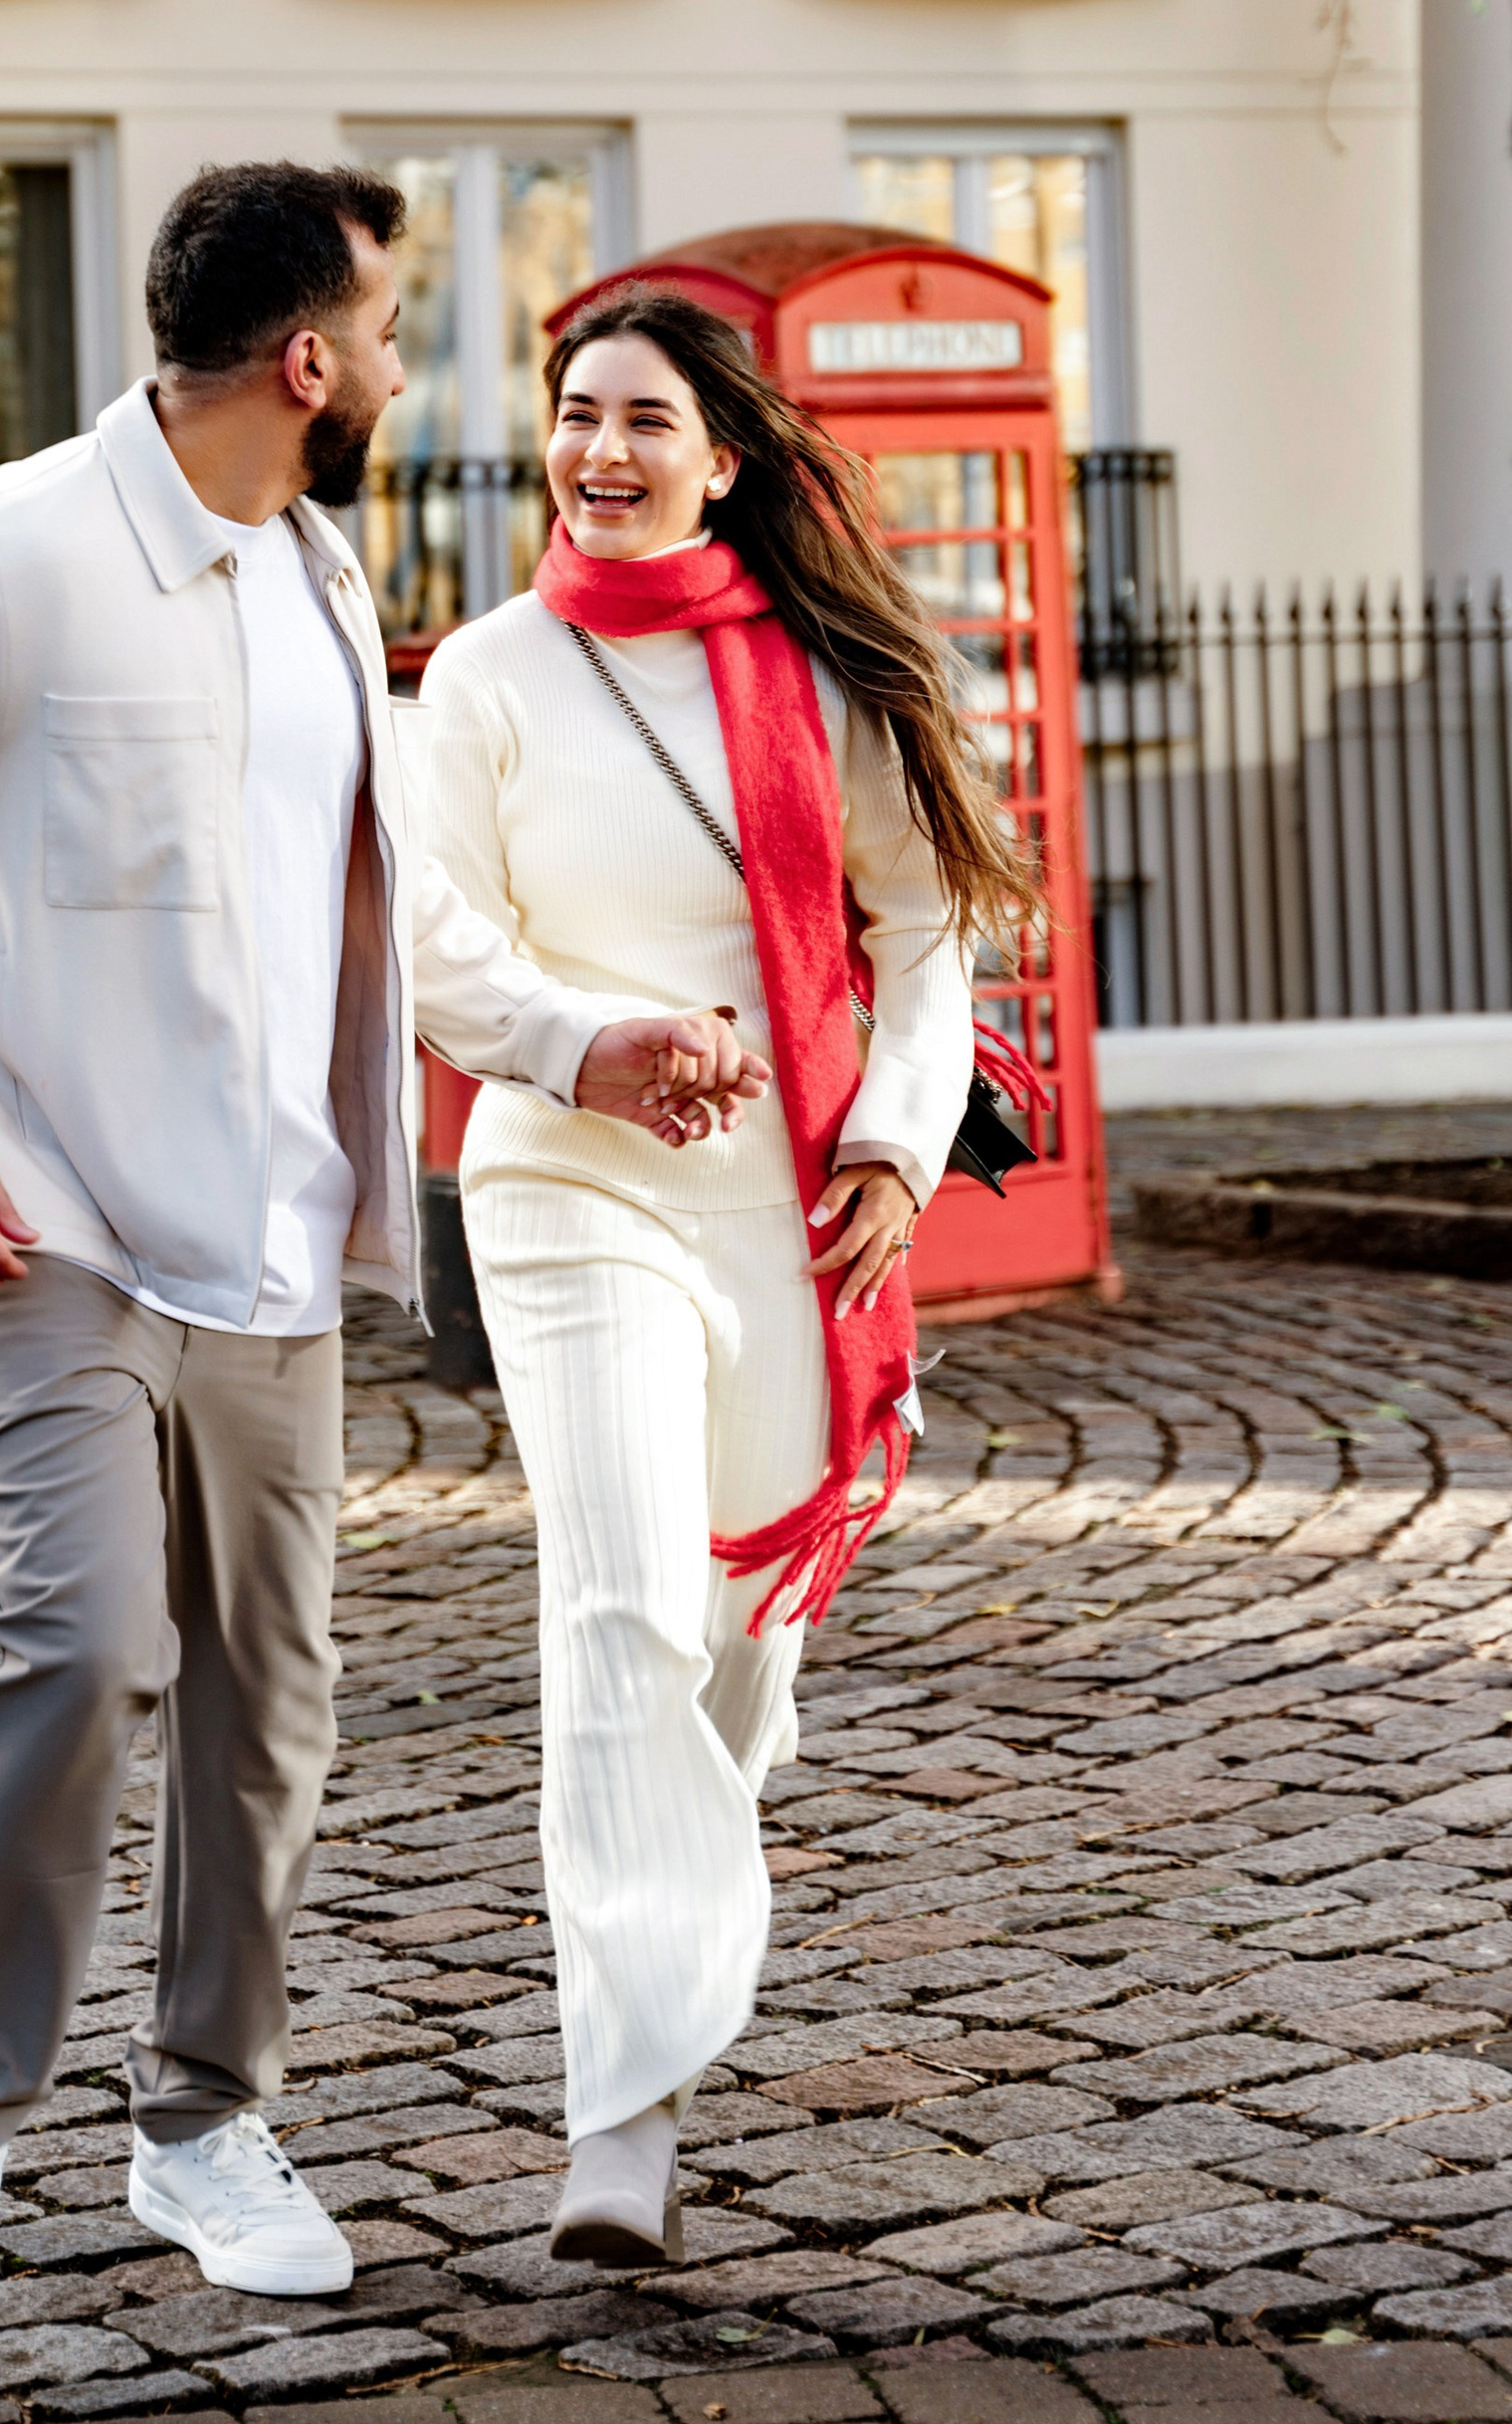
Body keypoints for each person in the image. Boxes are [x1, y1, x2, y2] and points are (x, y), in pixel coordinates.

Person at [0, 164, 753, 2394]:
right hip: (37, 1232)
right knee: (79, 1647)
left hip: (270, 1239)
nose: (399, 365)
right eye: (385, 329)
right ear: (305, 360)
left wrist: (580, 1042)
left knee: (268, 1710)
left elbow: (388, 926)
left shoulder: (309, 567)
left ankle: (200, 2119)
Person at [415, 282, 1021, 2267]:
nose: (596, 448)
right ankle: (625, 2104)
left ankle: (692, 1878)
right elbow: (438, 944)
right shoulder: (485, 676)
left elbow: (921, 939)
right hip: (567, 1179)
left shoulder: (821, 681)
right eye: (572, 412)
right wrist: (587, 1042)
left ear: (723, 456)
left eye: (640, 418)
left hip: (785, 1197)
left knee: (733, 1637)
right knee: (609, 1611)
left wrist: (888, 1147)